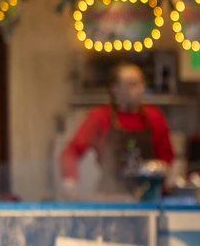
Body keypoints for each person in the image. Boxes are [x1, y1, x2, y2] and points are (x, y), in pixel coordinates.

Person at [60, 62, 174, 198]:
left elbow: (167, 156)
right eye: (132, 84)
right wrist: (70, 179)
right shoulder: (99, 117)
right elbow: (71, 151)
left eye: (141, 83)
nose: (140, 89)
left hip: (147, 197)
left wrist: (162, 172)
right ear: (115, 89)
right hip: (110, 196)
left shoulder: (154, 117)